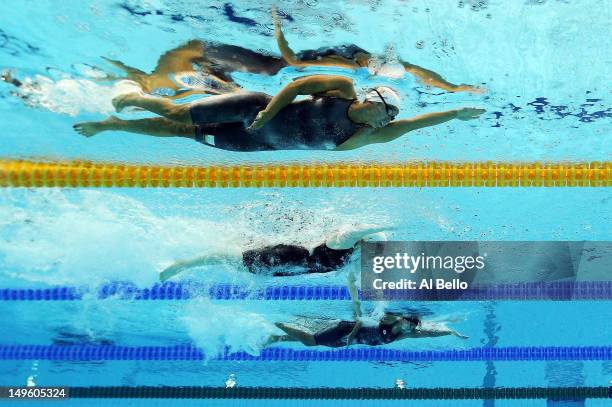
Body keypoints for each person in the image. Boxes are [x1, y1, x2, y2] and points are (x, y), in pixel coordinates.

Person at [73, 74, 484, 151]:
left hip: (248, 143)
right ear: (374, 99)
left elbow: (418, 123)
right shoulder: (341, 90)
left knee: (179, 134)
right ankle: (130, 98)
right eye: (388, 112)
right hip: (251, 108)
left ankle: (112, 126)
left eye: (392, 118)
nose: (389, 121)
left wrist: (456, 114)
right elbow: (296, 86)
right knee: (178, 116)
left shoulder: (368, 137)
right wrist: (268, 115)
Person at [271, 8, 484, 93]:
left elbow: (295, 62)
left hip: (314, 56)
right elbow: (420, 72)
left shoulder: (350, 64)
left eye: (382, 60)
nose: (380, 57)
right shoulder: (358, 60)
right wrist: (452, 87)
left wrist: (277, 28)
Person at [266, 274, 468, 348]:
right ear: (404, 320)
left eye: (411, 328)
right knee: (311, 341)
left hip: (347, 342)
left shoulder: (402, 335)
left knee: (316, 339)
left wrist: (451, 331)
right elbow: (361, 321)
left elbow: (430, 334)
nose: (408, 329)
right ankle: (275, 322)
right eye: (409, 324)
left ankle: (277, 338)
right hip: (346, 331)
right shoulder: (389, 319)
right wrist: (351, 336)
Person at [158, 225, 389, 281]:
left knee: (236, 259)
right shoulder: (343, 246)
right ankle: (184, 264)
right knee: (233, 259)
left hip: (286, 265)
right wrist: (386, 227)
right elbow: (357, 231)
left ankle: (188, 263)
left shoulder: (350, 255)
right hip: (283, 259)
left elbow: (352, 278)